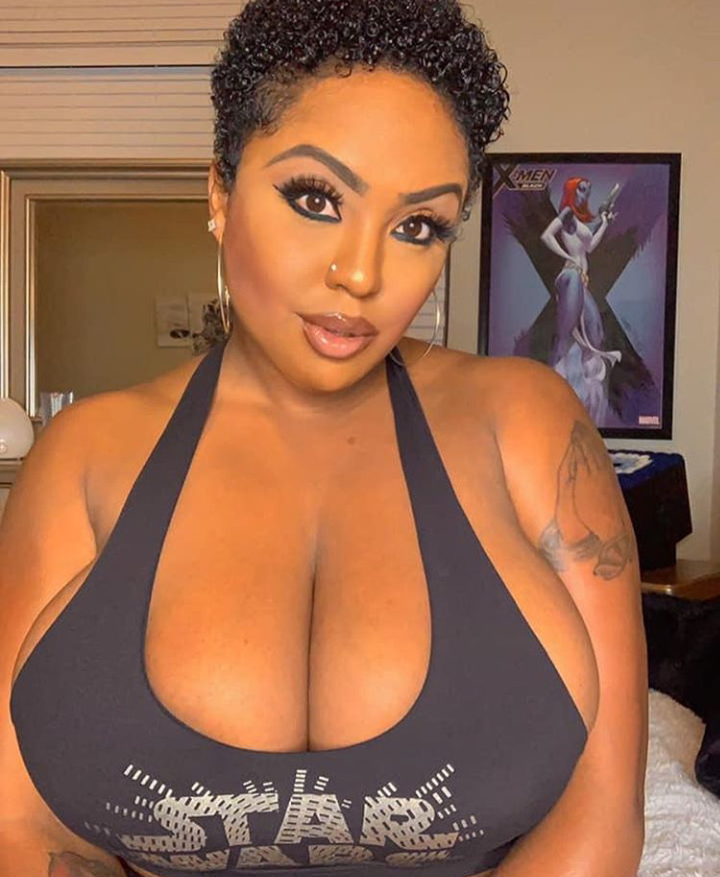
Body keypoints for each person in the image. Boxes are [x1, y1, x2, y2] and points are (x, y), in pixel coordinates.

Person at [0, 1, 648, 876]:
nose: (362, 274)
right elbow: (20, 825)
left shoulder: (529, 424)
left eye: (418, 226)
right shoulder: (82, 455)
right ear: (220, 193)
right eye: (316, 198)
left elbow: (600, 820)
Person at [540, 177, 623, 424]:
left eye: (587, 191)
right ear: (571, 191)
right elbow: (546, 236)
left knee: (594, 332)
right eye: (581, 190)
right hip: (570, 277)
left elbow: (591, 246)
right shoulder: (566, 213)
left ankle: (583, 399)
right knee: (566, 337)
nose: (584, 195)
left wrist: (604, 223)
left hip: (581, 282)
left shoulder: (579, 220)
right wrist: (568, 258)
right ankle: (556, 390)